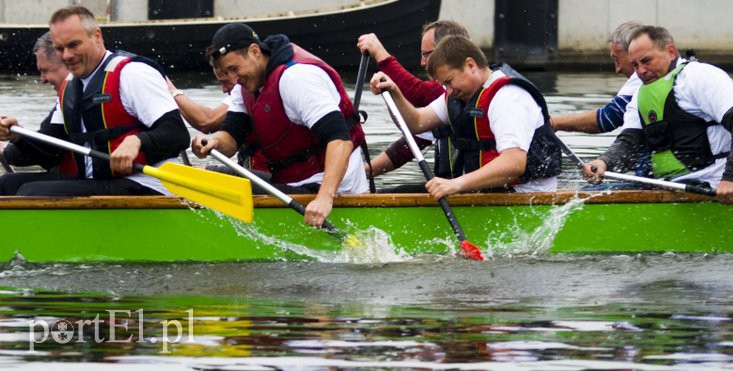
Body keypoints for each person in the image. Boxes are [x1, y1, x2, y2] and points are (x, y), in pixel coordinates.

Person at [0, 5, 190, 196]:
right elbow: (51, 153)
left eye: (74, 45)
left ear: (97, 36)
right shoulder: (70, 85)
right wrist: (17, 136)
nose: (67, 55)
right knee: (7, 184)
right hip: (97, 182)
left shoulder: (133, 74)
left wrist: (138, 141)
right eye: (60, 48)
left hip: (145, 184)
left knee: (31, 192)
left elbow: (178, 135)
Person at [191, 23, 368, 228]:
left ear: (255, 51)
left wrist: (324, 198)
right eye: (226, 72)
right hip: (292, 185)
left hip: (331, 189)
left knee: (215, 182)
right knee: (210, 176)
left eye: (234, 69)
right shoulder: (247, 84)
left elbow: (340, 140)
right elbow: (231, 137)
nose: (232, 79)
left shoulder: (296, 78)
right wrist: (212, 141)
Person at [582, 25, 733, 204]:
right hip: (667, 186)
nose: (641, 71)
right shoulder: (641, 94)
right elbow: (629, 142)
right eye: (635, 65)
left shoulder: (701, 76)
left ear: (671, 51)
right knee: (589, 192)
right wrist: (603, 162)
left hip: (709, 185)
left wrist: (732, 178)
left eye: (646, 61)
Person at [369, 34, 561, 199]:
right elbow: (417, 123)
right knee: (389, 194)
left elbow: (514, 163)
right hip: (487, 192)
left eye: (449, 82)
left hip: (524, 197)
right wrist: (393, 92)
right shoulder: (461, 96)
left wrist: (456, 184)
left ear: (471, 65)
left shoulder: (508, 98)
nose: (448, 91)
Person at [356, 20, 467, 179]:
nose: (422, 63)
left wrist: (381, 55)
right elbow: (405, 148)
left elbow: (418, 94)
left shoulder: (465, 93)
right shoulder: (449, 104)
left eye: (426, 55)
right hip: (454, 189)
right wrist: (361, 174)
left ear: (448, 52)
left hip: (480, 193)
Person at [551, 21, 643, 134]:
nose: (617, 70)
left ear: (634, 53)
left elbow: (608, 118)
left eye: (617, 59)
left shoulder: (641, 78)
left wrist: (554, 122)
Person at [0, 32, 71, 175]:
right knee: (7, 183)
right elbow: (48, 151)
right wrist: (14, 138)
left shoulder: (124, 76)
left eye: (45, 71)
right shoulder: (68, 97)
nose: (42, 80)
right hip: (79, 177)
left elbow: (50, 155)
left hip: (107, 183)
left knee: (19, 187)